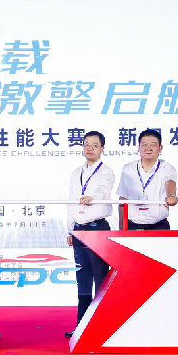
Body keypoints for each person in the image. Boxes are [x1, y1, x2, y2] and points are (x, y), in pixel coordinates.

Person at [65, 130, 115, 338]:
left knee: (100, 279)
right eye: (86, 144)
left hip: (97, 229)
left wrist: (91, 197)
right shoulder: (76, 172)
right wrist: (70, 228)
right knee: (82, 278)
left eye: (95, 145)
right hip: (79, 230)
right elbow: (70, 200)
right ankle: (81, 325)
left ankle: (101, 327)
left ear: (102, 148)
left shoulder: (106, 171)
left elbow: (104, 191)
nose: (90, 148)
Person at [116, 129, 178, 229]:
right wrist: (121, 227)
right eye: (144, 145)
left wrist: (171, 195)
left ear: (160, 148)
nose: (148, 148)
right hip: (132, 226)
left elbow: (169, 182)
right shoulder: (128, 168)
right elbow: (123, 198)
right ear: (139, 148)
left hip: (159, 227)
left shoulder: (167, 168)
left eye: (153, 145)